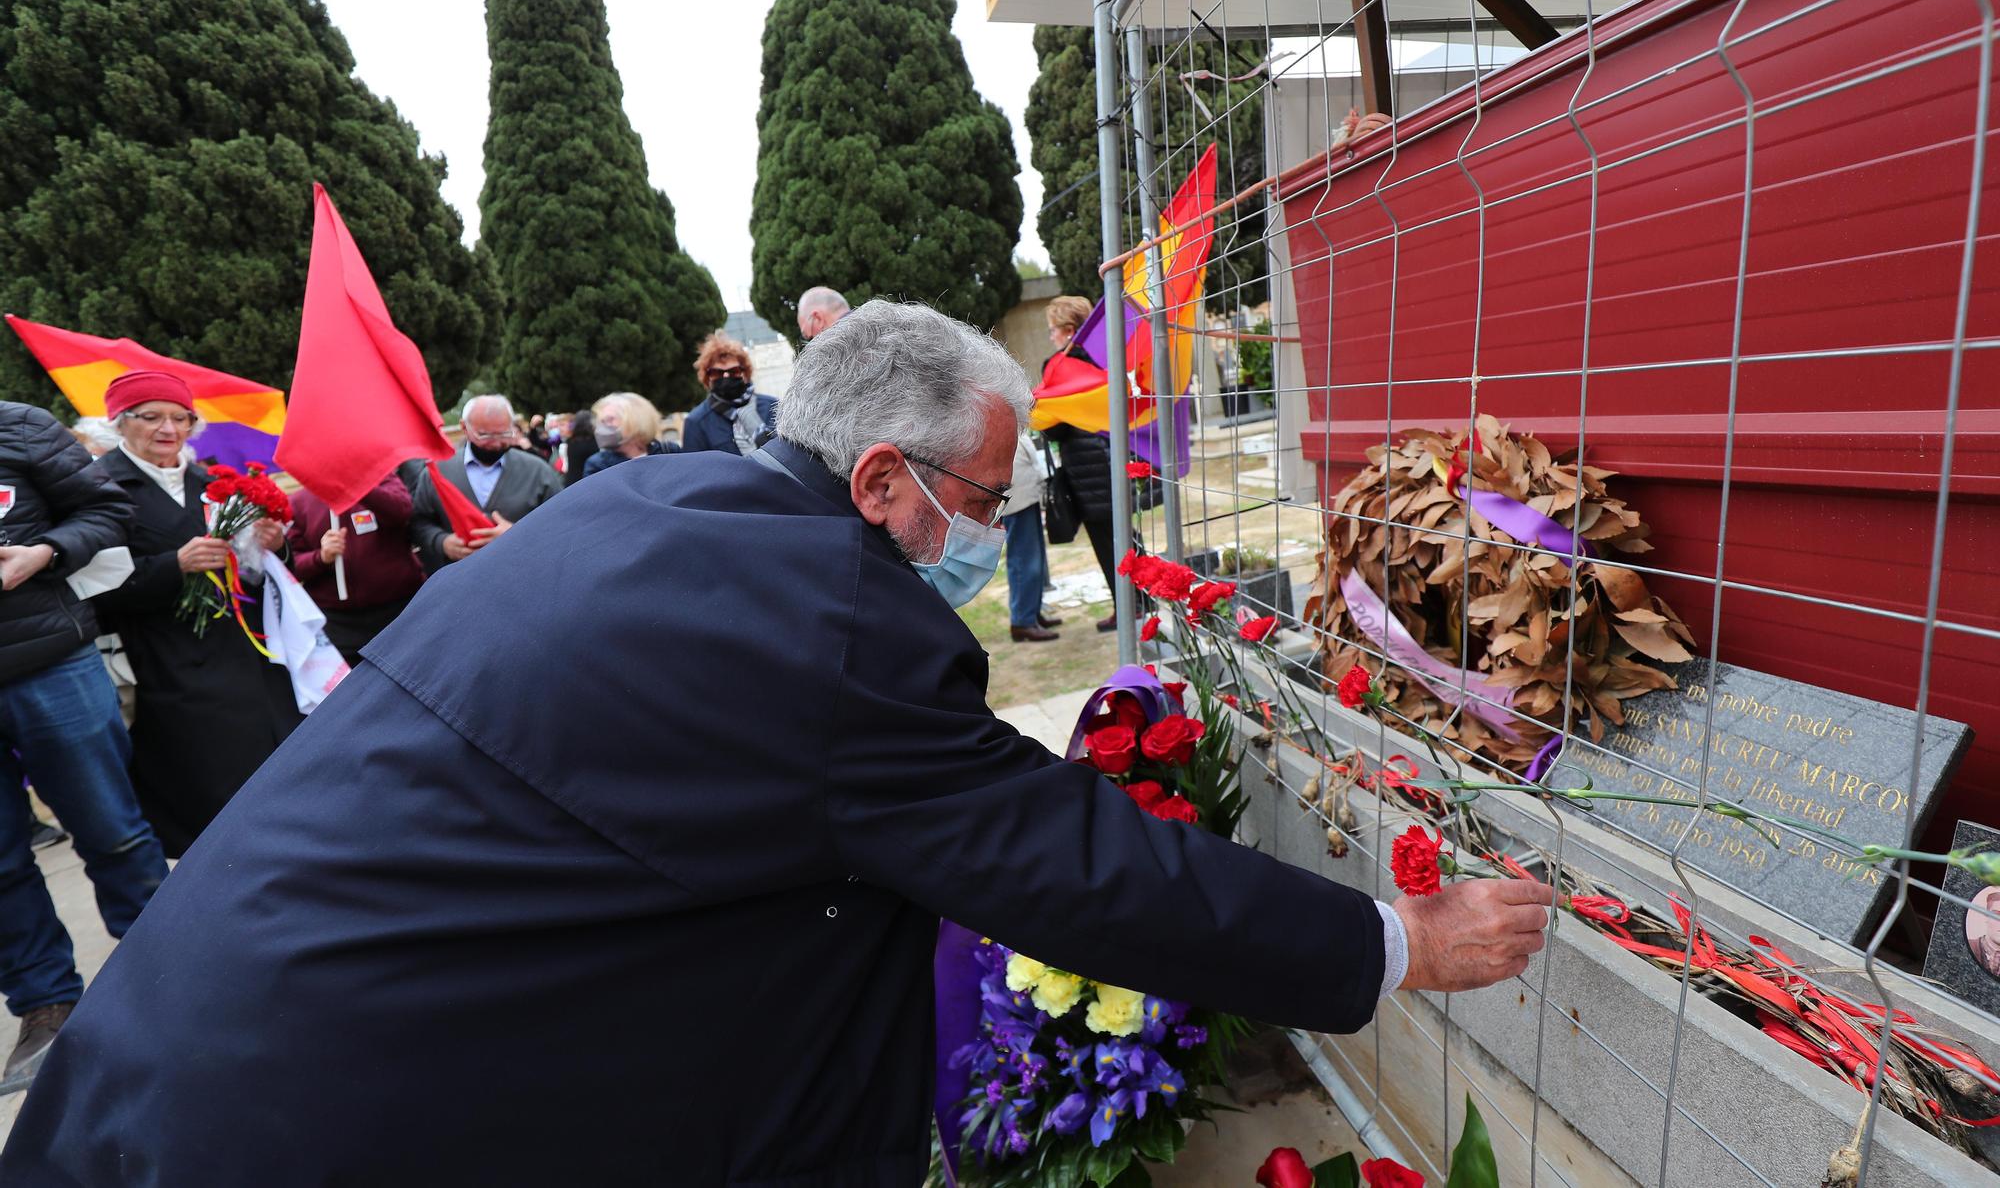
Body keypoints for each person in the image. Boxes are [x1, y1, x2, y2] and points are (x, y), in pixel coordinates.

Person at [0, 302, 1551, 1186]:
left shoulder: (660, 507)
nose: (989, 537)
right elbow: (1063, 860)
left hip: (184, 1062)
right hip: (307, 1124)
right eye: (986, 503)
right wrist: (1392, 942)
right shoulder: (824, 619)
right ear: (884, 478)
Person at [0, 401, 168, 1084]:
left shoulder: (20, 426)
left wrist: (43, 551)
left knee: (113, 830)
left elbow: (106, 510)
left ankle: (168, 970)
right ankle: (46, 1005)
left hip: (51, 664)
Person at [88, 372, 301, 858]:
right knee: (212, 797)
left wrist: (273, 548)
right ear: (121, 423)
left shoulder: (211, 481)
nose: (169, 428)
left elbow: (251, 576)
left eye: (180, 417)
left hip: (242, 653)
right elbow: (92, 588)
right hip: (165, 660)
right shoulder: (99, 489)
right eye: (152, 417)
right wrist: (172, 566)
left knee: (274, 774)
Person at [1039, 294, 1124, 632]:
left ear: (1069, 330)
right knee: (1123, 536)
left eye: (1052, 330)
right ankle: (1138, 600)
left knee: (1106, 541)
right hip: (1111, 455)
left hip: (1085, 466)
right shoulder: (1105, 358)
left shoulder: (1058, 366)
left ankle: (1127, 607)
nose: (1051, 337)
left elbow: (1056, 427)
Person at [408, 394, 563, 573]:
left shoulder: (537, 471)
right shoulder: (438, 472)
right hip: (458, 581)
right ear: (464, 428)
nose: (496, 443)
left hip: (522, 576)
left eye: (505, 433)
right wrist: (441, 542)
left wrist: (519, 536)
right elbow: (418, 522)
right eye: (485, 435)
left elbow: (562, 523)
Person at [284, 475, 425, 664]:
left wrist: (360, 487)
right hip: (338, 623)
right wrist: (321, 557)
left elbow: (402, 511)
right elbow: (292, 565)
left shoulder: (383, 479)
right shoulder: (299, 502)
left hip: (400, 609)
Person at [998, 431, 1060, 643]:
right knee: (1025, 561)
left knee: (1035, 559)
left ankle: (1031, 613)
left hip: (1025, 495)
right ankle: (1023, 620)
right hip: (1017, 499)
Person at [680, 334, 779, 456]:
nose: (726, 376)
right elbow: (695, 470)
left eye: (734, 371)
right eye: (717, 372)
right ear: (707, 376)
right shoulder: (696, 422)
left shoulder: (773, 407)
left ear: (745, 372)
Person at [581, 393, 678, 477]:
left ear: (637, 420)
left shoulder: (669, 452)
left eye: (610, 419)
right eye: (601, 422)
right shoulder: (598, 465)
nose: (601, 428)